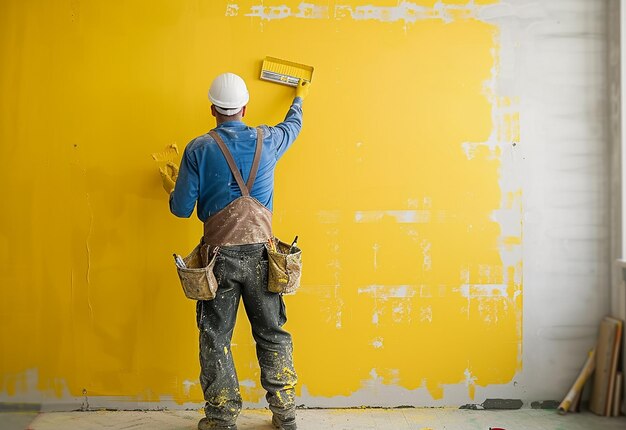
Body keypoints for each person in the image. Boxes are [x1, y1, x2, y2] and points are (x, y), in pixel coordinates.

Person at [160, 72, 309, 430]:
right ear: (245, 107)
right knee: (272, 333)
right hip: (264, 258)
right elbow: (293, 126)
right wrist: (299, 99)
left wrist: (172, 184)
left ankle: (222, 418)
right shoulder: (269, 139)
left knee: (215, 338)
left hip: (218, 261)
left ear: (213, 108)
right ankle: (285, 414)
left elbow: (181, 209)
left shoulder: (198, 148)